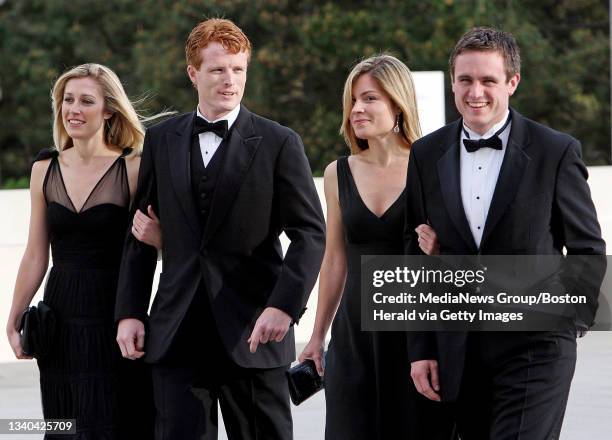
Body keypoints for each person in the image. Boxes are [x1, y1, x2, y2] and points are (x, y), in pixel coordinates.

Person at [114, 18, 325, 440]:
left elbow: (310, 233)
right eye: (217, 70)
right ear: (193, 73)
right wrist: (130, 312)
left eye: (238, 70)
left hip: (254, 332)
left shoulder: (279, 142)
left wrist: (284, 306)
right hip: (176, 335)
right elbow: (140, 233)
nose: (230, 81)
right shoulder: (161, 140)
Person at [404, 27, 605, 439]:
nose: (475, 92)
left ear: (512, 83)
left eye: (488, 80)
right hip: (459, 348)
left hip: (536, 344)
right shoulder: (426, 154)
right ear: (453, 83)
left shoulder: (555, 151)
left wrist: (568, 320)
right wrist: (422, 348)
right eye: (465, 80)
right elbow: (414, 254)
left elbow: (587, 246)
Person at [299, 54, 454, 440]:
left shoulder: (435, 165)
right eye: (352, 100)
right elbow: (334, 259)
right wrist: (317, 337)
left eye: (369, 98)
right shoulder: (338, 172)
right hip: (354, 339)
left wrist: (442, 248)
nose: (356, 110)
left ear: (397, 104)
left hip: (417, 336)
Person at [5, 63, 162, 439]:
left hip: (115, 311)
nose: (73, 109)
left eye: (86, 101)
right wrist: (13, 319)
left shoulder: (135, 167)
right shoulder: (44, 169)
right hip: (59, 316)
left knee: (117, 421)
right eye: (67, 100)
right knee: (65, 425)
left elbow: (154, 247)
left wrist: (161, 240)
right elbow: (35, 253)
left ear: (109, 109)